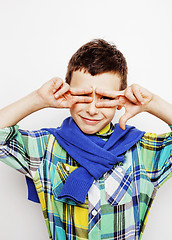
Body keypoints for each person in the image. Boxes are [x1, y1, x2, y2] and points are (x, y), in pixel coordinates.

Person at [0, 39, 172, 240]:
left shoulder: (142, 150)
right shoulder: (46, 146)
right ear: (67, 92)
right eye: (82, 96)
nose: (92, 109)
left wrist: (152, 103)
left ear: (120, 100)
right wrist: (38, 99)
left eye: (105, 98)